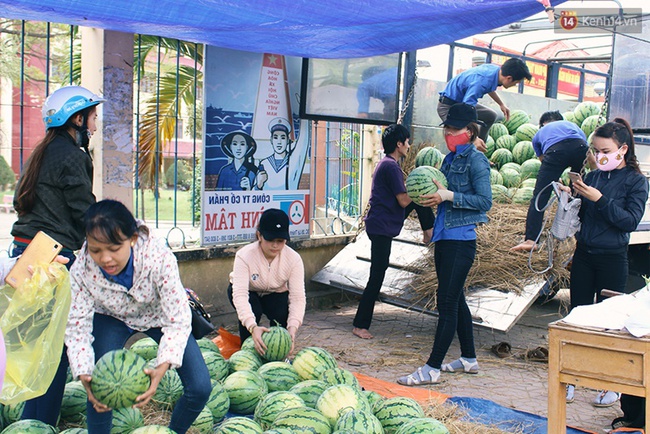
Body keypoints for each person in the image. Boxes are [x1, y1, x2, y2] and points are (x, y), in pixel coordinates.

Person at [65, 200, 211, 434]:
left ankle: (173, 431)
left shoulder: (159, 258)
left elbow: (178, 319)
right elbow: (76, 326)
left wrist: (161, 368)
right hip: (111, 317)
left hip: (157, 316)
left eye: (114, 249)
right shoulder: (81, 268)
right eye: (95, 250)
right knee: (100, 389)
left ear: (132, 239)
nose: (105, 259)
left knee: (200, 387)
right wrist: (84, 373)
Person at [9, 85, 104, 426]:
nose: (94, 125)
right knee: (56, 353)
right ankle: (41, 425)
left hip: (26, 254)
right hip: (52, 259)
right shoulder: (72, 156)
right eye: (92, 117)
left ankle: (28, 422)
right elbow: (85, 212)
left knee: (39, 349)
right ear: (76, 119)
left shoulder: (42, 152)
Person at [397, 103, 492, 386]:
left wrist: (448, 195)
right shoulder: (449, 159)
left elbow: (485, 202)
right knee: (456, 297)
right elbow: (438, 191)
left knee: (447, 302)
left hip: (461, 240)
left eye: (454, 129)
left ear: (470, 131)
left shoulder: (477, 161)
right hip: (445, 236)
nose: (448, 133)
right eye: (447, 129)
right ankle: (469, 358)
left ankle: (432, 368)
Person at [565, 118, 648, 408]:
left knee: (610, 325)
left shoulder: (637, 182)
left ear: (622, 149)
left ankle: (610, 385)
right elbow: (585, 217)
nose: (598, 155)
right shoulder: (595, 176)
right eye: (595, 150)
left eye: (604, 150)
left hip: (613, 258)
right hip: (584, 255)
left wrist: (599, 199)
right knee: (578, 317)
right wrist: (573, 197)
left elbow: (628, 221)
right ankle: (571, 378)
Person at [352, 124, 434, 340]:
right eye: (406, 141)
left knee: (420, 196)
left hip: (385, 220)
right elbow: (403, 199)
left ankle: (429, 232)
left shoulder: (389, 164)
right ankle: (360, 325)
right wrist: (423, 187)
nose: (409, 145)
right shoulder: (391, 167)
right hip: (381, 225)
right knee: (377, 275)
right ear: (399, 144)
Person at [227, 208, 306, 355]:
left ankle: (278, 354)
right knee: (253, 311)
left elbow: (298, 297)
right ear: (259, 236)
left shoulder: (294, 259)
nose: (275, 245)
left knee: (282, 314)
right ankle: (247, 353)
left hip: (275, 291)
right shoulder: (244, 256)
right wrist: (252, 327)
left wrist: (292, 328)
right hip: (249, 291)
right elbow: (240, 295)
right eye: (270, 240)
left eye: (280, 241)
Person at [511, 111, 589, 252]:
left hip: (555, 152)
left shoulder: (539, 135)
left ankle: (531, 240)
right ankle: (578, 233)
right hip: (581, 147)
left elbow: (544, 161)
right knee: (578, 191)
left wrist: (555, 182)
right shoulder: (572, 125)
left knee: (540, 195)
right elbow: (584, 145)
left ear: (541, 125)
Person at [437, 58, 532, 149]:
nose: (515, 85)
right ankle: (470, 153)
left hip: (460, 103)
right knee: (464, 136)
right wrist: (473, 137)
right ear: (509, 78)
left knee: (490, 116)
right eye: (516, 83)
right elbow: (466, 109)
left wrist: (501, 104)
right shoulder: (482, 81)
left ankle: (479, 149)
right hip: (448, 107)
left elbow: (488, 87)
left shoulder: (495, 71)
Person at [257, 118, 294, 190]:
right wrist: (259, 184)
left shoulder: (293, 160)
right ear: (271, 140)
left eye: (283, 138)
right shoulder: (264, 163)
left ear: (287, 140)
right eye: (275, 137)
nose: (279, 142)